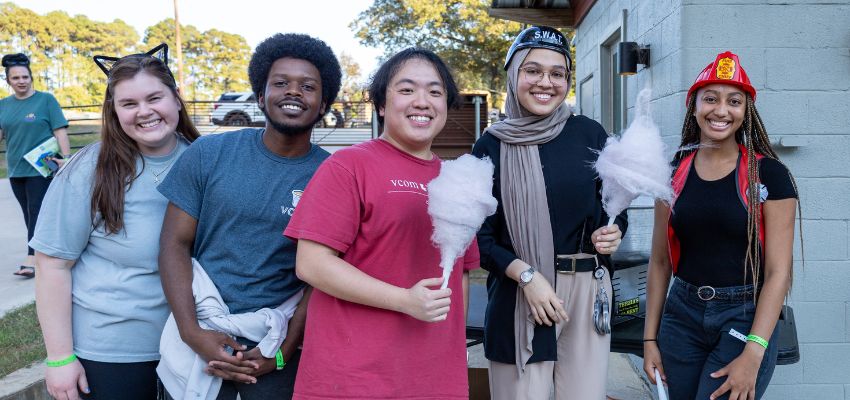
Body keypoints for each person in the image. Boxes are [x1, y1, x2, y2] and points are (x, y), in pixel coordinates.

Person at [156, 33, 340, 400]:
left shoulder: (334, 174)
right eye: (281, 83)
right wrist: (191, 332)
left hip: (275, 341)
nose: (294, 92)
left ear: (323, 105)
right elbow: (174, 244)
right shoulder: (211, 152)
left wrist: (287, 348)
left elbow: (323, 274)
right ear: (260, 96)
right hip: (200, 332)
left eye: (308, 86)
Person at [284, 48, 475, 399]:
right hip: (355, 378)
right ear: (382, 105)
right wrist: (404, 299)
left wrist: (452, 350)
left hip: (433, 378)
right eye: (406, 90)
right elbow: (311, 264)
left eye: (435, 92)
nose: (422, 101)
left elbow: (460, 275)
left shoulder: (457, 181)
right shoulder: (350, 166)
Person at [30, 44, 200, 400]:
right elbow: (52, 264)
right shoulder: (90, 169)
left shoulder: (206, 160)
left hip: (195, 347)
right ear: (114, 110)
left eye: (155, 98)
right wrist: (60, 359)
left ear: (177, 98)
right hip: (112, 353)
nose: (145, 112)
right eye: (129, 104)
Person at [471, 26, 627, 400]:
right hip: (522, 294)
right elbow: (480, 238)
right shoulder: (490, 145)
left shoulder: (591, 134)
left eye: (557, 73)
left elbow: (613, 206)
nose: (546, 82)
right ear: (513, 75)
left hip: (589, 289)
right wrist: (527, 276)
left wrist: (614, 230)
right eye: (533, 70)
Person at [642, 51, 798, 400]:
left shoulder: (770, 175)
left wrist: (755, 351)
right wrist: (649, 339)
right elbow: (660, 260)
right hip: (681, 314)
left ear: (746, 112)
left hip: (744, 316)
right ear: (693, 105)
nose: (721, 110)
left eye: (734, 101)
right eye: (710, 99)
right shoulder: (672, 171)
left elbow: (778, 273)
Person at [1, 52, 71, 278]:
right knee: (29, 214)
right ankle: (48, 251)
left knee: (36, 210)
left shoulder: (46, 100)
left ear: (31, 77)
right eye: (15, 78)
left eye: (25, 77)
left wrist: (67, 160)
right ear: (8, 81)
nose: (21, 81)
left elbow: (59, 131)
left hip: (43, 168)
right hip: (16, 169)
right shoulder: (3, 105)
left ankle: (31, 259)